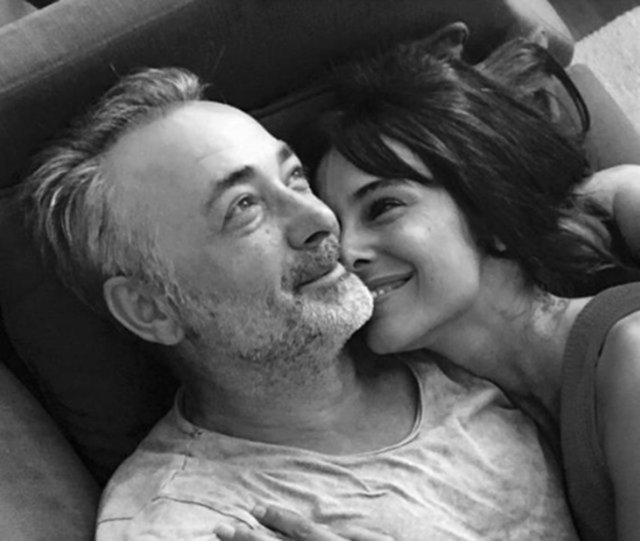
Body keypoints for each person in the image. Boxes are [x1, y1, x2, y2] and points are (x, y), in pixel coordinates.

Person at [21, 66, 581, 540]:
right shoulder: (192, 522)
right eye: (243, 208)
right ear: (151, 309)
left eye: (295, 178)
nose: (321, 220)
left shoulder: (434, 325)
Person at [241, 41, 640, 540]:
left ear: (490, 207)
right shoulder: (513, 415)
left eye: (384, 207)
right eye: (337, 232)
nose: (347, 254)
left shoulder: (631, 357)